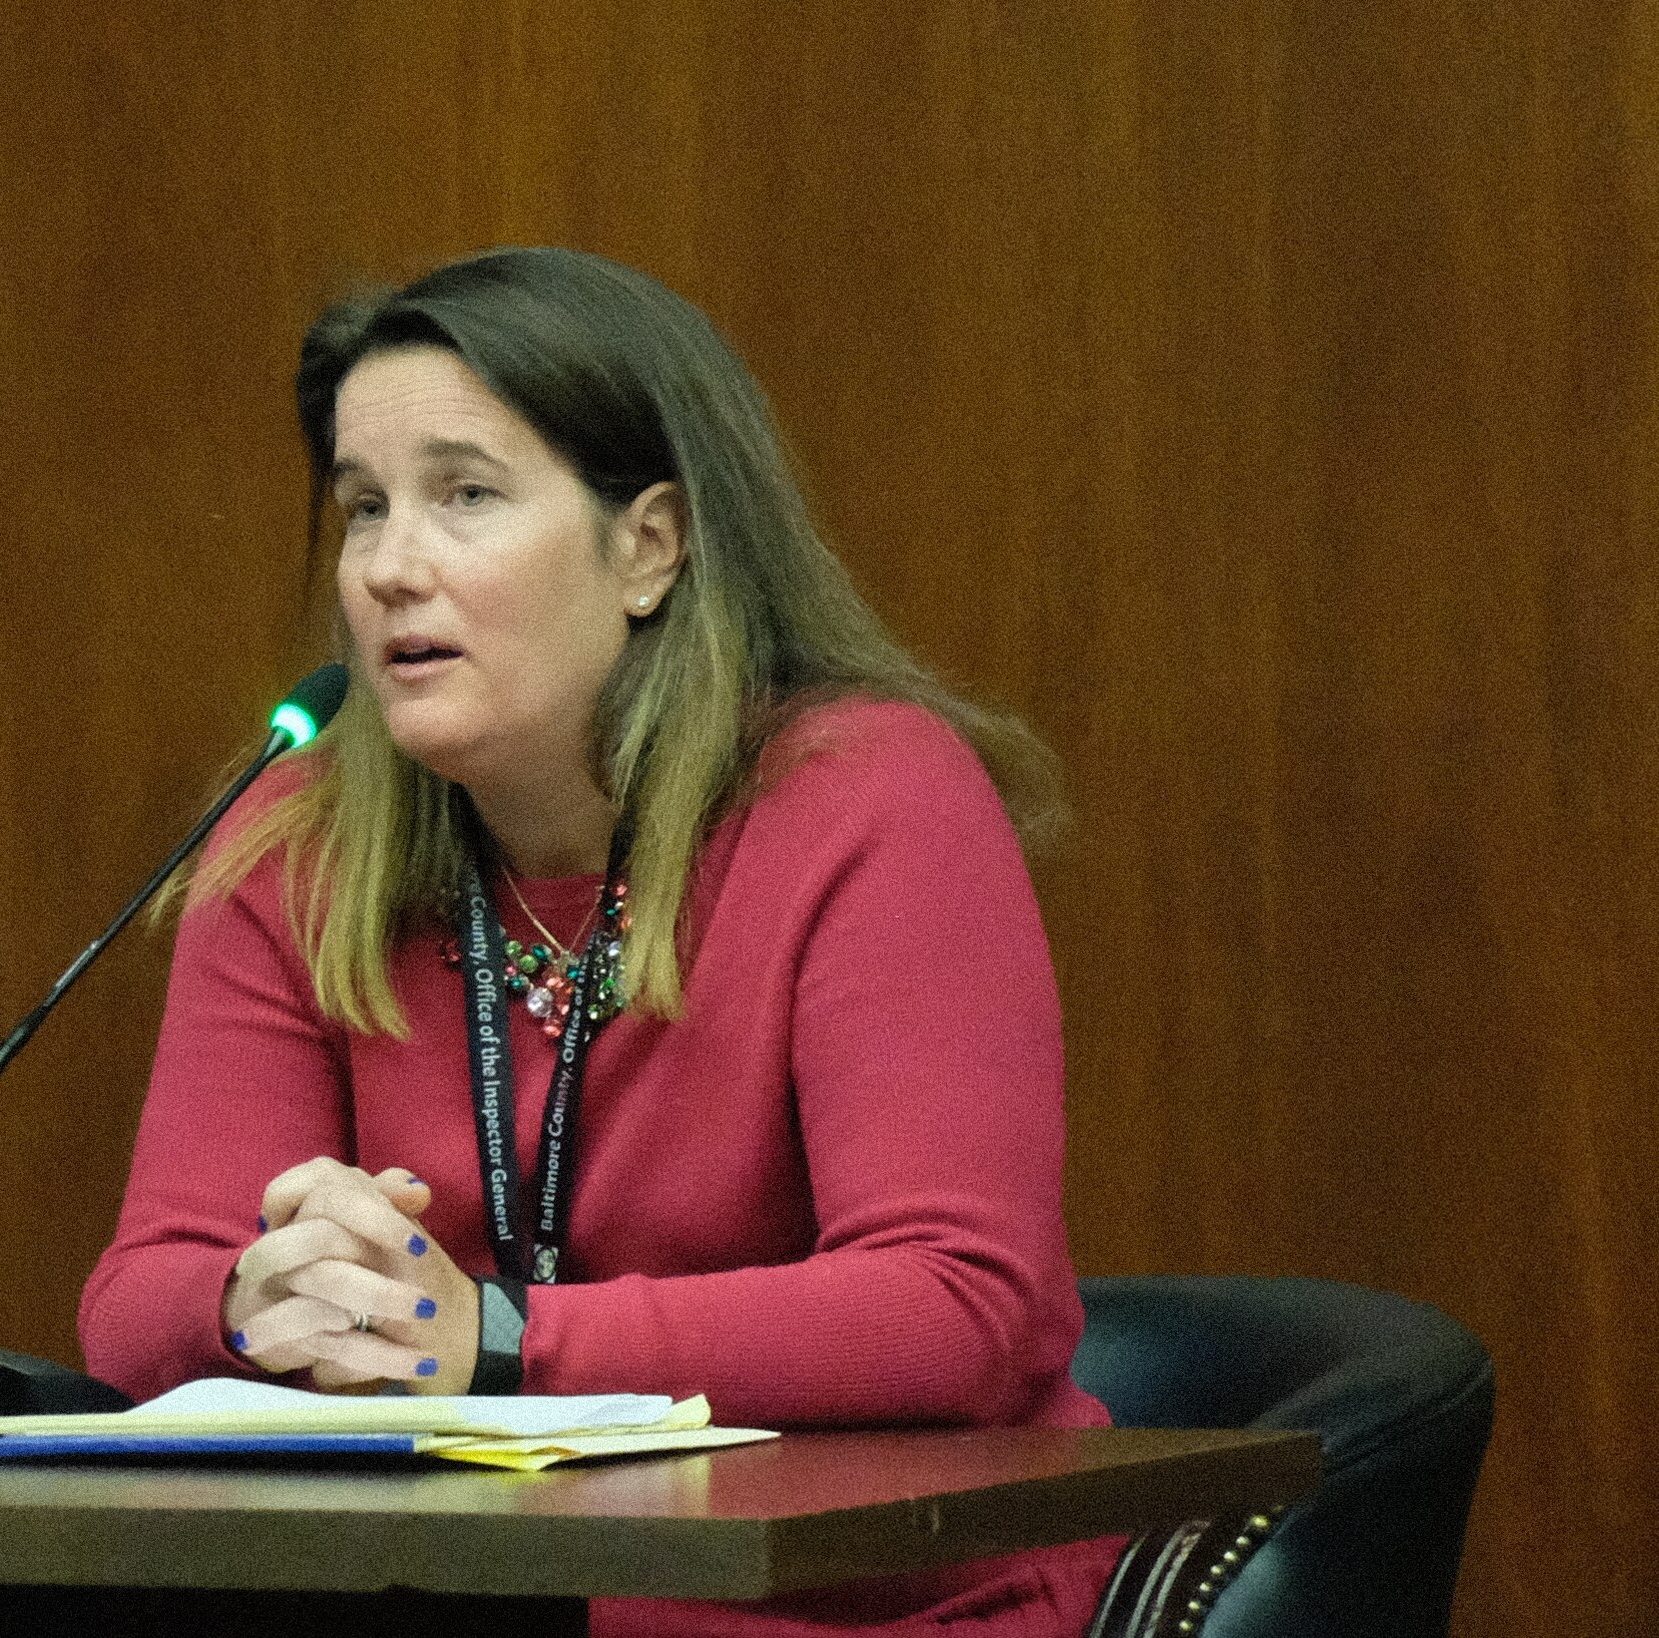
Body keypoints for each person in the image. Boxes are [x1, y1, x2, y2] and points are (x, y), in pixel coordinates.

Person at [80, 247, 1122, 1636]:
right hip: (497, 1588)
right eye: (362, 508)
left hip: (861, 1601)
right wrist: (259, 1299)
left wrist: (500, 1341)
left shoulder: (864, 800)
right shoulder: (296, 840)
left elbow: (960, 1303)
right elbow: (138, 1292)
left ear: (649, 545)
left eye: (463, 496)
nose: (390, 568)